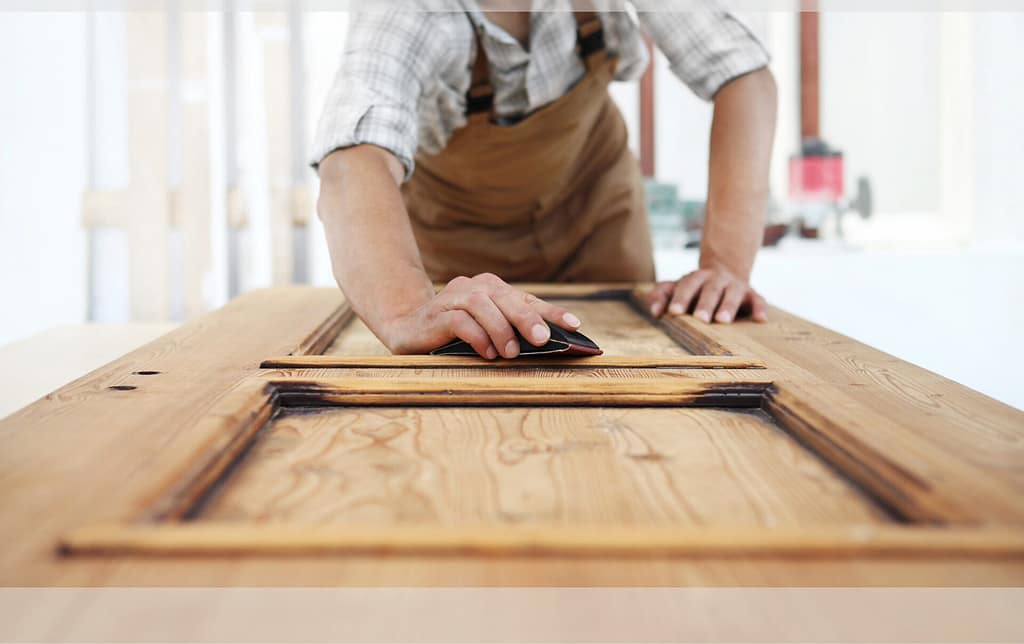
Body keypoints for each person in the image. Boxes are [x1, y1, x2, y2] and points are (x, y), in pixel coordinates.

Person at [312, 0, 777, 359]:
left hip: (596, 211)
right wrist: (406, 311)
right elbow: (353, 160)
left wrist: (725, 268)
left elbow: (743, 78)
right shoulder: (406, 11)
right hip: (455, 240)